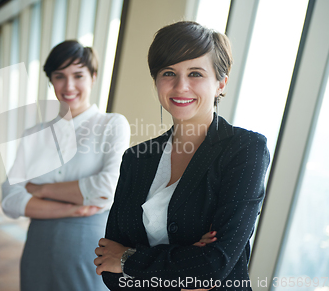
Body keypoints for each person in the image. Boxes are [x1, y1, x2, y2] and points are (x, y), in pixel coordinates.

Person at [94, 21, 270, 291]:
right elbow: (109, 268)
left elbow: (213, 266)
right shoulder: (137, 158)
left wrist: (129, 258)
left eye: (196, 73)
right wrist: (185, 269)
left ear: (221, 83)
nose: (180, 86)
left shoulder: (245, 150)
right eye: (169, 73)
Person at [2, 40, 131, 291]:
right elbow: (9, 199)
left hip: (90, 247)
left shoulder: (112, 125)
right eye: (59, 76)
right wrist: (74, 208)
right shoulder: (34, 134)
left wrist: (40, 190)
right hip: (37, 246)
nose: (69, 86)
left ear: (93, 77)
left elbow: (107, 188)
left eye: (78, 75)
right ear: (51, 81)